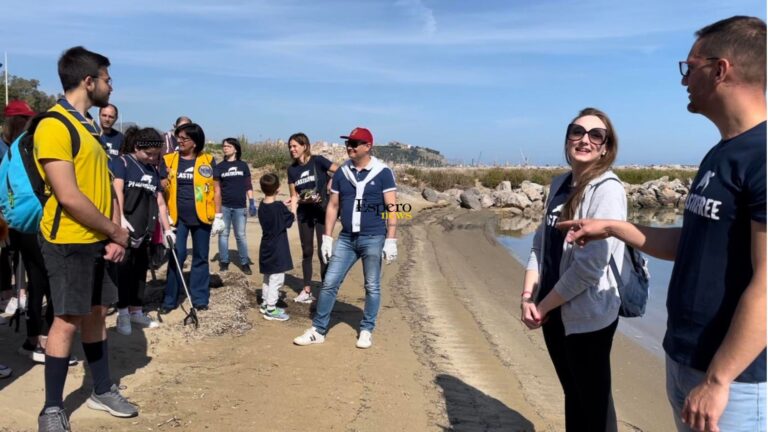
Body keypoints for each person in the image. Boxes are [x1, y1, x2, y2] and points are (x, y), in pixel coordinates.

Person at [559, 16, 766, 432]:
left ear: (720, 69)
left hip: (734, 381)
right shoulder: (720, 154)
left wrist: (718, 378)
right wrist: (614, 227)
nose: (684, 80)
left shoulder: (761, 156)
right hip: (686, 359)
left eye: (689, 68)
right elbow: (690, 244)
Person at [34, 46, 136, 431]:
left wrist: (113, 233)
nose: (112, 86)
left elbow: (106, 187)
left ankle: (102, 388)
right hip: (69, 241)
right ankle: (52, 408)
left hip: (99, 240)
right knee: (67, 319)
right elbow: (69, 196)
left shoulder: (90, 127)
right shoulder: (54, 125)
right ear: (88, 81)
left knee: (97, 313)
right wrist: (115, 231)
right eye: (108, 79)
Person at [520, 108, 625, 431]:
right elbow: (541, 245)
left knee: (594, 407)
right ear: (567, 138)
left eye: (596, 135)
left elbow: (590, 268)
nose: (585, 140)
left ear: (606, 147)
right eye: (577, 131)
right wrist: (528, 294)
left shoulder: (607, 190)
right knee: (573, 396)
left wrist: (542, 306)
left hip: (587, 315)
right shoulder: (559, 185)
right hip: (551, 310)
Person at [293, 127, 397, 349]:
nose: (349, 147)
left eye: (355, 143)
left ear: (367, 147)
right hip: (347, 238)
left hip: (373, 237)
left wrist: (391, 238)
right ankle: (318, 330)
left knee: (372, 286)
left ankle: (367, 329)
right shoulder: (342, 173)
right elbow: (332, 206)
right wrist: (328, 237)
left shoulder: (382, 172)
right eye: (348, 143)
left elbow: (391, 206)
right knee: (330, 282)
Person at [112, 126, 173, 336]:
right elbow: (117, 190)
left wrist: (167, 229)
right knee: (123, 272)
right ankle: (122, 314)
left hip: (145, 229)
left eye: (155, 156)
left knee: (140, 272)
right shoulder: (123, 163)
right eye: (148, 154)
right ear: (137, 147)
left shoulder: (153, 170)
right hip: (125, 228)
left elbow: (160, 202)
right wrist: (118, 218)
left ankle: (136, 310)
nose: (151, 158)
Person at [160, 122, 222, 313]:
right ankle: (170, 300)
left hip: (202, 217)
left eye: (184, 138)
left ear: (194, 142)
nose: (180, 141)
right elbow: (161, 187)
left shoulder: (208, 160)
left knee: (200, 258)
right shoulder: (168, 159)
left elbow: (216, 189)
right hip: (176, 219)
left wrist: (219, 214)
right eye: (179, 137)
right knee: (176, 257)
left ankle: (200, 298)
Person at [286, 132, 338, 304]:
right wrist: (299, 203)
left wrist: (331, 183)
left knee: (324, 251)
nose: (292, 149)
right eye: (290, 146)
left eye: (295, 146)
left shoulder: (318, 161)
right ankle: (306, 290)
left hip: (323, 212)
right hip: (304, 214)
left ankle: (326, 290)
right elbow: (294, 196)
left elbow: (341, 171)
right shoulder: (292, 170)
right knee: (306, 251)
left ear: (305, 146)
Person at [213, 137, 255, 275]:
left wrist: (252, 202)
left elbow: (248, 185)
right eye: (224, 146)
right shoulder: (219, 167)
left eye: (228, 146)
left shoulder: (243, 166)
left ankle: (244, 263)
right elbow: (216, 189)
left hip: (240, 206)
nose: (225, 148)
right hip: (224, 206)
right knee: (223, 235)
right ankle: (224, 262)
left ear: (235, 149)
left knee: (241, 236)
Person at [257, 173, 293, 321]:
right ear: (278, 189)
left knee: (267, 276)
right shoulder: (278, 207)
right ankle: (271, 308)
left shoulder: (262, 205)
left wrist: (283, 205)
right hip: (278, 247)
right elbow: (289, 221)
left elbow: (274, 210)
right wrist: (293, 207)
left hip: (266, 245)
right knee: (277, 278)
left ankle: (265, 303)